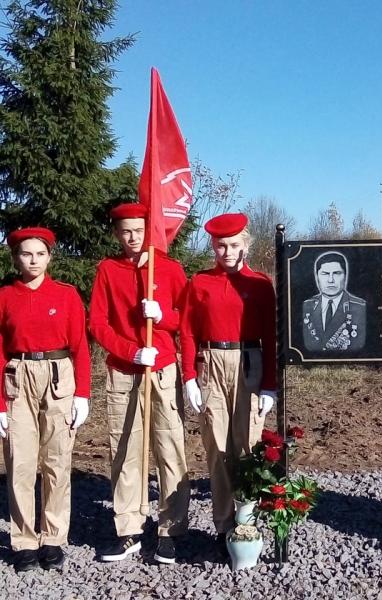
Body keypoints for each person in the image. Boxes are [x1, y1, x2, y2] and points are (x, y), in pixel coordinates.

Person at [88, 203, 190, 564]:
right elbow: (97, 323)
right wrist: (130, 351)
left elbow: (186, 320)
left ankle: (171, 530)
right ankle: (128, 528)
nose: (132, 238)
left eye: (139, 230)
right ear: (116, 233)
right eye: (125, 231)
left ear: (151, 230)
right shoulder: (108, 270)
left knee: (169, 449)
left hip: (162, 370)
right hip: (124, 371)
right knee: (126, 450)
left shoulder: (171, 269)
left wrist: (162, 317)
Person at [180, 213, 277, 552]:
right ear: (213, 247)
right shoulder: (200, 283)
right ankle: (223, 525)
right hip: (212, 364)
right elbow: (188, 331)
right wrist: (189, 377)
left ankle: (246, 521)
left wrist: (269, 385)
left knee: (247, 445)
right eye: (221, 246)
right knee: (218, 446)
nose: (228, 252)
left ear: (245, 245)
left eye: (234, 245)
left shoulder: (261, 285)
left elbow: (271, 336)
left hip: (250, 361)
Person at [0, 227, 90, 572]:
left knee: (57, 461)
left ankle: (52, 537)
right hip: (18, 377)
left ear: (50, 256)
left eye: (40, 253)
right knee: (20, 463)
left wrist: (82, 393)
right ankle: (23, 540)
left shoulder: (66, 295)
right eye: (26, 253)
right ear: (16, 258)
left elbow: (81, 347)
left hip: (58, 377)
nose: (33, 260)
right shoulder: (6, 296)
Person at [302, 251, 366, 352]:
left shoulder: (360, 308)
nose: (330, 280)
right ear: (317, 276)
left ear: (345, 276)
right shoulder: (307, 306)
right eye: (325, 274)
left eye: (336, 273)